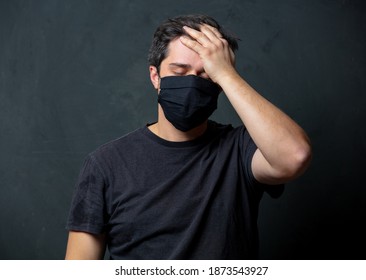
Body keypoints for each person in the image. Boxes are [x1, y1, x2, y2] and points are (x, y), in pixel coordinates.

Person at [65, 14, 312, 260]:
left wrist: (227, 74)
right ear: (155, 77)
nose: (192, 83)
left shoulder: (240, 151)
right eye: (180, 71)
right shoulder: (105, 165)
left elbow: (294, 156)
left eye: (205, 75)